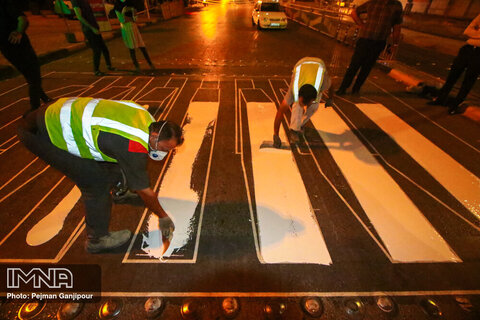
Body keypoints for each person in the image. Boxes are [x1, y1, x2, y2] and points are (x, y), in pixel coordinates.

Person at [17, 97, 183, 253]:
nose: (165, 154)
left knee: (116, 158)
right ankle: (97, 240)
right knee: (95, 183)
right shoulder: (133, 146)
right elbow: (144, 190)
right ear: (154, 136)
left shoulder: (146, 117)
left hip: (55, 112)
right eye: (164, 149)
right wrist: (163, 217)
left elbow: (119, 146)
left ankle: (120, 190)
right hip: (42, 133)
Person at [335, 0, 403, 95]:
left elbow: (397, 27)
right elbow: (354, 12)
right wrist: (361, 25)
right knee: (354, 65)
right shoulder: (373, 3)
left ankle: (356, 89)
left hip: (379, 42)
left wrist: (395, 44)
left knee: (366, 67)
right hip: (365, 39)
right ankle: (343, 88)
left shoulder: (396, 6)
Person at [0, 0, 51, 113]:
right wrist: (19, 32)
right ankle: (35, 108)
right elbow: (23, 19)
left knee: (29, 75)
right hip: (19, 46)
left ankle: (44, 98)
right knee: (34, 76)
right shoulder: (6, 4)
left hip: (6, 49)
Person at [273, 57, 334, 148]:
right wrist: (276, 135)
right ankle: (294, 130)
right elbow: (280, 112)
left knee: (314, 107)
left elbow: (332, 84)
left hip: (319, 66)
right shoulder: (293, 90)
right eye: (301, 101)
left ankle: (300, 124)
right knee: (297, 107)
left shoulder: (322, 84)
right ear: (299, 96)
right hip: (300, 64)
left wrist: (330, 99)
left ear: (312, 99)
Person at [429, 13, 480, 115]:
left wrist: (477, 31)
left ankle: (455, 105)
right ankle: (441, 98)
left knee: (468, 80)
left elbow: (472, 31)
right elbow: (467, 31)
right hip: (467, 49)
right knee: (453, 75)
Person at [72, 0, 115, 76]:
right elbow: (79, 17)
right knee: (96, 50)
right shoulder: (76, 1)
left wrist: (96, 26)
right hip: (89, 29)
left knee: (104, 48)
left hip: (94, 27)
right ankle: (96, 70)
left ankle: (109, 66)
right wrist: (92, 28)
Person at [114, 0, 154, 72]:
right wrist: (128, 16)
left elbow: (135, 18)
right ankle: (137, 66)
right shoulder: (117, 5)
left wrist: (131, 16)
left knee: (142, 46)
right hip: (126, 29)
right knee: (131, 48)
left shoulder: (130, 3)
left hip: (133, 27)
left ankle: (150, 64)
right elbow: (122, 20)